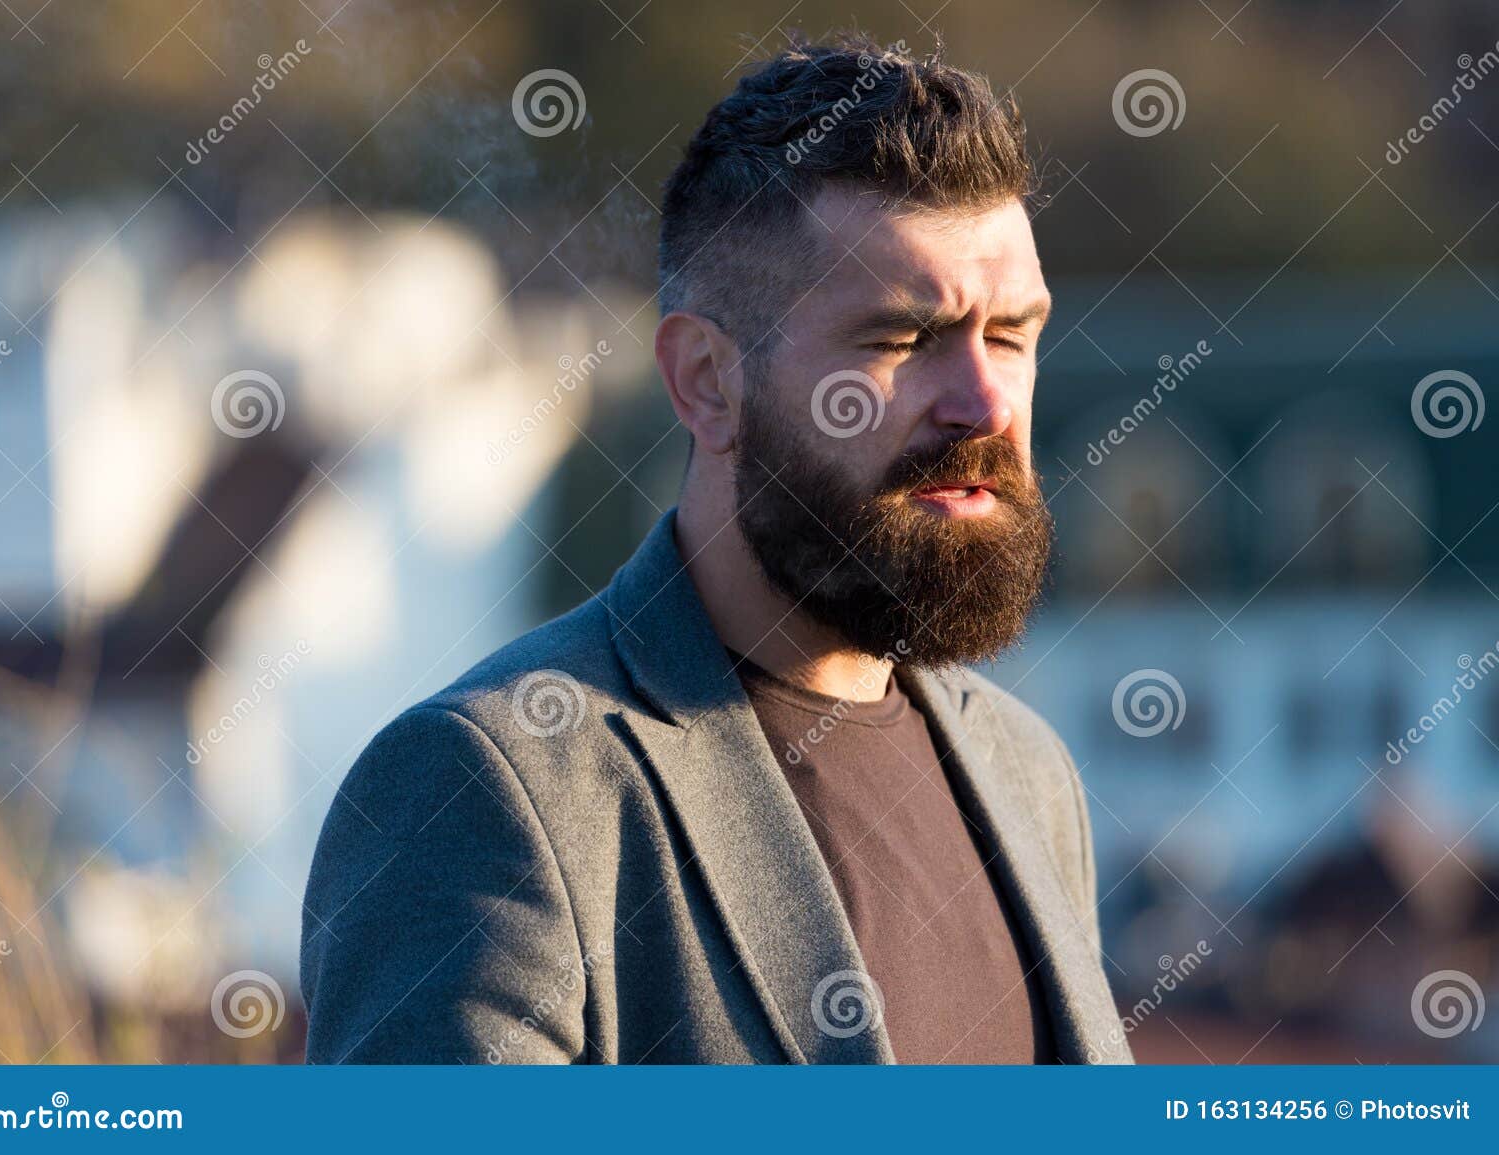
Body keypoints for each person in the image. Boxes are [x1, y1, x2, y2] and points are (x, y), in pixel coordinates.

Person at [301, 33, 1130, 1065]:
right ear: (704, 380)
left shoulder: (1029, 776)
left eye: (1009, 336)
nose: (983, 403)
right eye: (899, 340)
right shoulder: (485, 789)